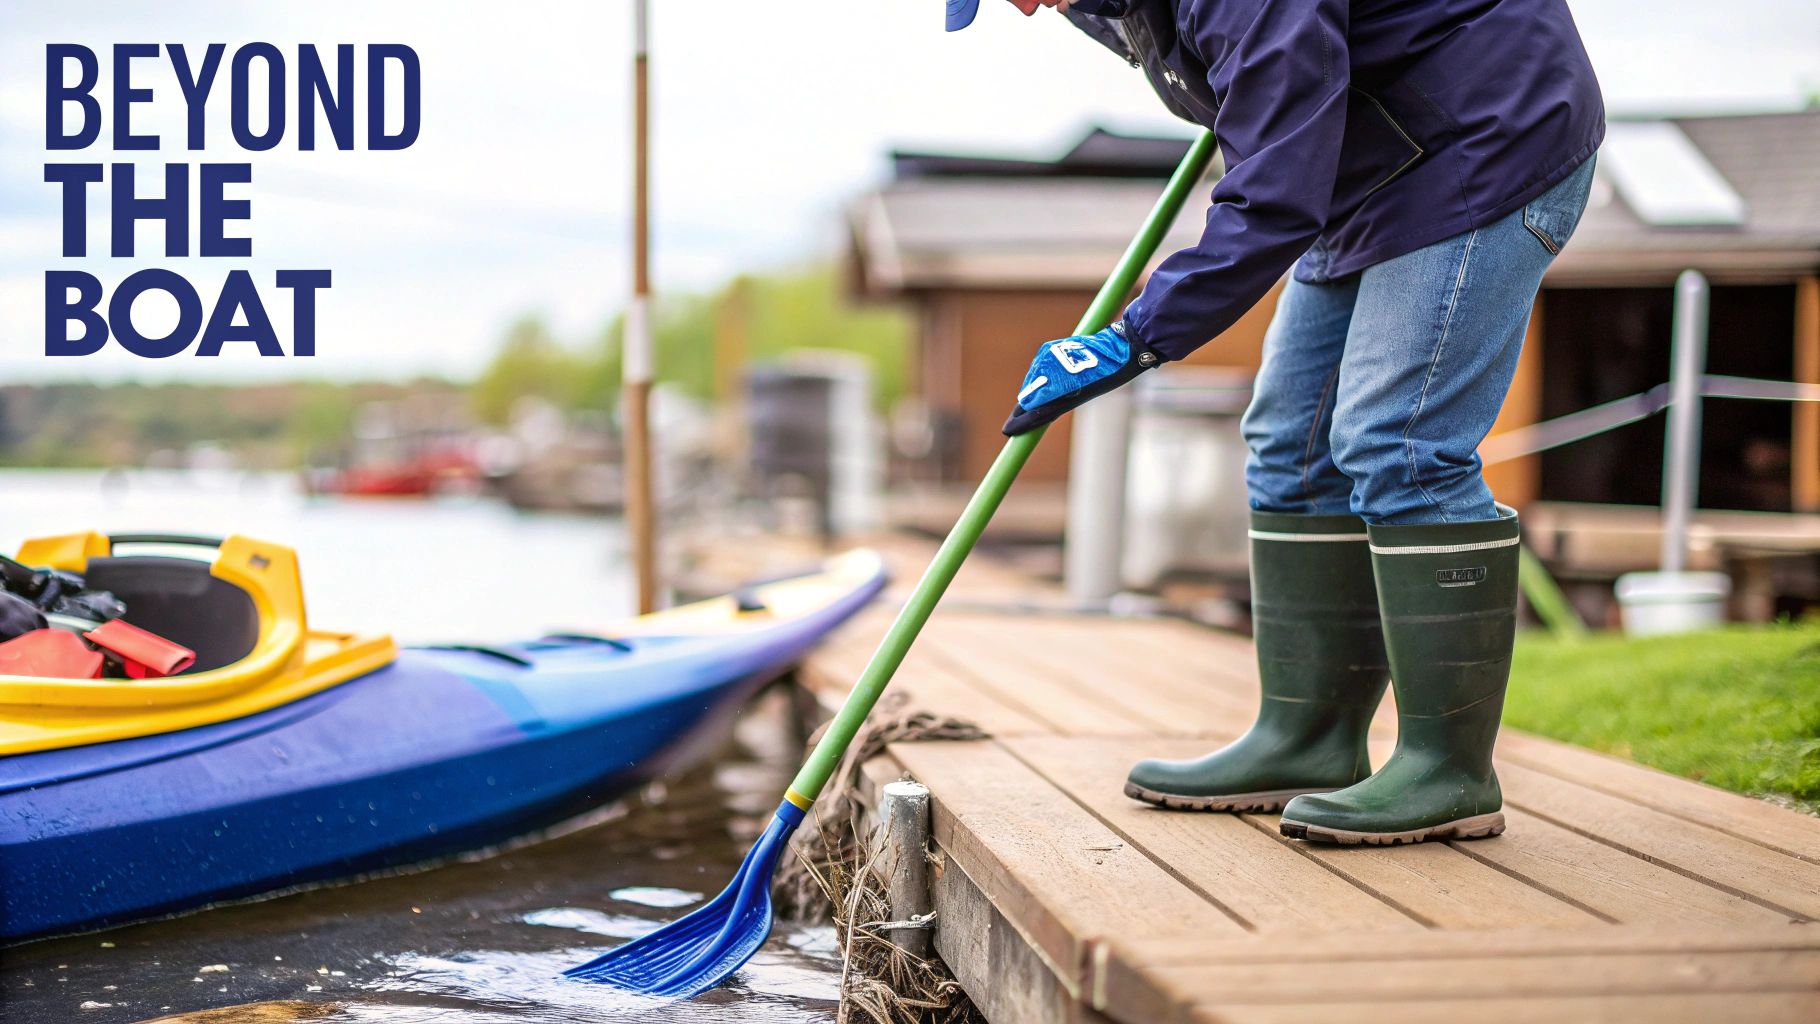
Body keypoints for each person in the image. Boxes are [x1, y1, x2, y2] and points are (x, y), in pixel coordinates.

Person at [949, 0, 1604, 845]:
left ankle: (1450, 770)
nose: (1029, 6)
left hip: (1484, 136)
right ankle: (1308, 736)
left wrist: (1135, 336)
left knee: (1395, 439)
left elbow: (1274, 190)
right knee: (1289, 443)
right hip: (1363, 164)